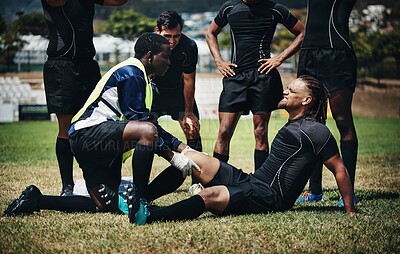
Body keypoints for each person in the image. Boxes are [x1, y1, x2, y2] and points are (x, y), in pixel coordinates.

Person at [4, 33, 199, 222]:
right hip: (88, 134)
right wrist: (173, 156)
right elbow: (144, 127)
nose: (169, 62)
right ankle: (140, 202)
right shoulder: (132, 73)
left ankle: (36, 200)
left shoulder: (142, 76)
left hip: (95, 142)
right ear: (149, 56)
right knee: (146, 131)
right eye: (165, 57)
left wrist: (182, 148)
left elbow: (148, 122)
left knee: (103, 205)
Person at [127, 75, 356, 225]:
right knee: (191, 159)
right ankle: (141, 198)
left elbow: (339, 169)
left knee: (208, 196)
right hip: (252, 181)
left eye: (291, 90)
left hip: (269, 197)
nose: (285, 92)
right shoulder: (296, 123)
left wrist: (349, 210)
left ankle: (150, 217)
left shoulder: (316, 131)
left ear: (306, 100)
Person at [41, 0, 128, 196]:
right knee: (66, 128)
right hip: (62, 65)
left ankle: (100, 181)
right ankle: (67, 187)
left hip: (88, 64)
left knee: (97, 123)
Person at [206, 0, 304, 171]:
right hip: (235, 76)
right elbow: (210, 33)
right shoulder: (230, 7)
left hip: (263, 76)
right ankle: (216, 183)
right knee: (223, 132)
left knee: (260, 132)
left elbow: (302, 33)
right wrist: (219, 61)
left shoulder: (275, 9)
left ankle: (260, 184)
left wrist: (279, 58)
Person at [296, 0, 358, 207]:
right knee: (311, 121)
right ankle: (314, 191)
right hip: (309, 54)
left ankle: (348, 193)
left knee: (342, 120)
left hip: (337, 53)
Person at [152, 11, 203, 186]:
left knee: (193, 129)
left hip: (177, 92)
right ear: (157, 31)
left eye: (177, 36)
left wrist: (188, 112)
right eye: (167, 36)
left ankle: (197, 182)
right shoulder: (148, 43)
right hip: (154, 91)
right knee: (142, 131)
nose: (172, 41)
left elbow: (189, 79)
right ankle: (140, 183)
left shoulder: (189, 46)